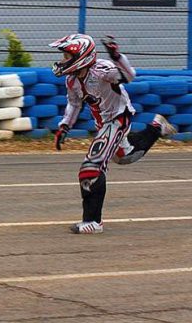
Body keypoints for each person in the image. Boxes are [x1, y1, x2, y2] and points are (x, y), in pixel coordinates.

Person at [50, 34, 176, 234]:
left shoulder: (102, 70)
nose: (63, 60)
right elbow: (74, 104)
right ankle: (156, 127)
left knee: (91, 167)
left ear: (80, 56)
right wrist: (64, 126)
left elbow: (129, 76)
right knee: (125, 157)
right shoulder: (72, 80)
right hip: (103, 123)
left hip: (118, 118)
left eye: (67, 56)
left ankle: (93, 222)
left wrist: (116, 56)